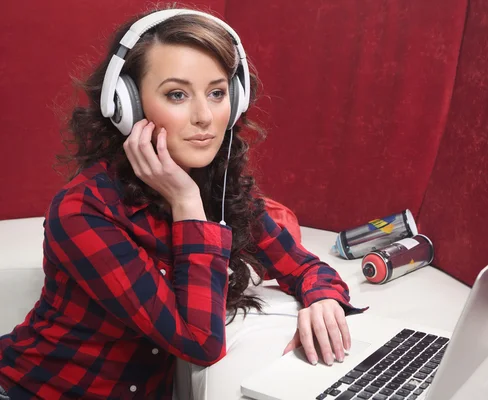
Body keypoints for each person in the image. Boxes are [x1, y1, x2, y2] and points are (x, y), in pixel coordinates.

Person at [0, 6, 361, 400]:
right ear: (127, 105)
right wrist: (187, 202)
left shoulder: (223, 189)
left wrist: (323, 298)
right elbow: (199, 343)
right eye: (177, 94)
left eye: (217, 93)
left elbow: (306, 267)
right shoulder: (83, 211)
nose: (205, 116)